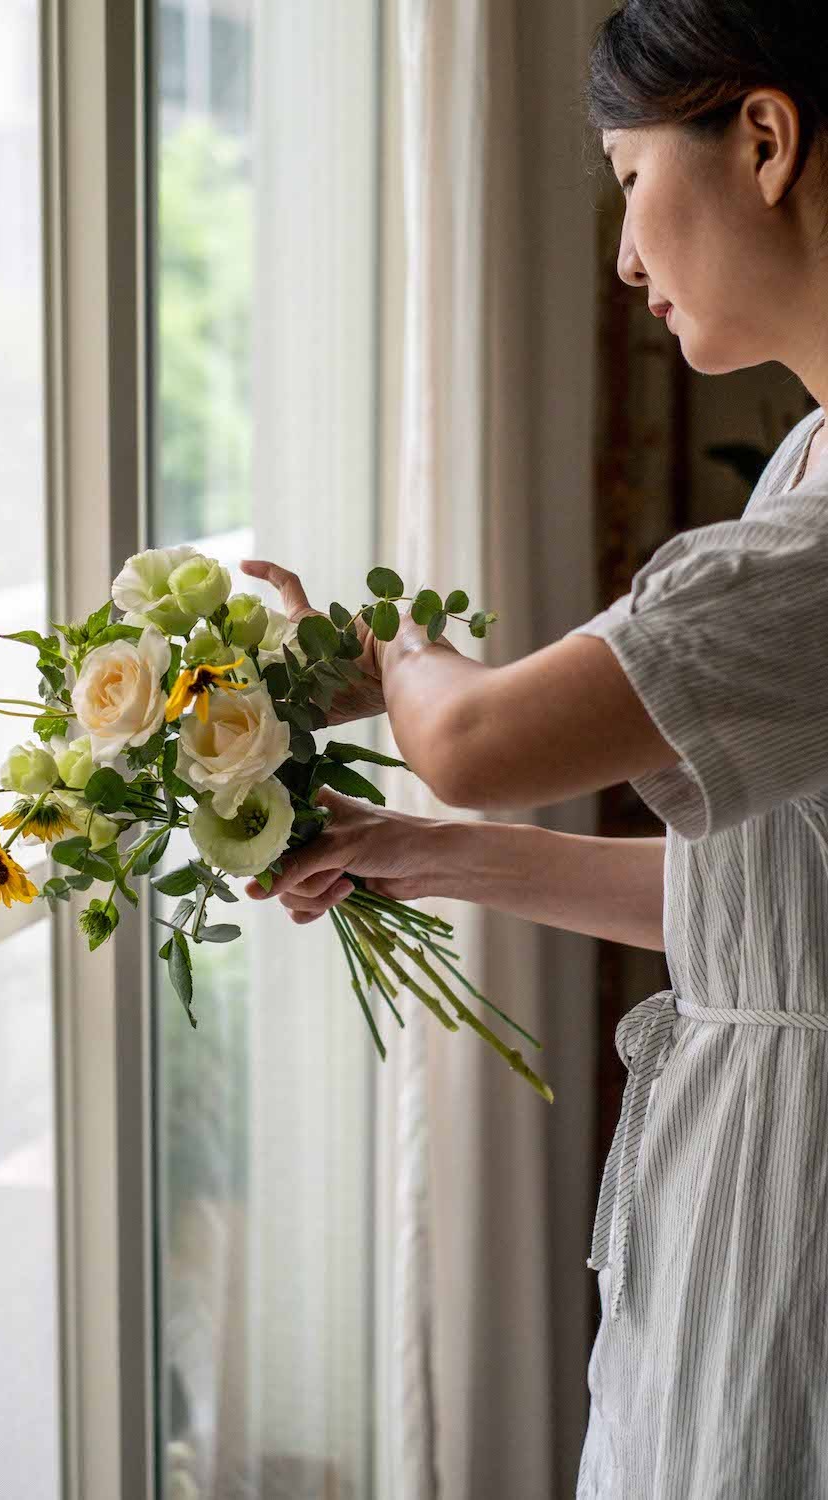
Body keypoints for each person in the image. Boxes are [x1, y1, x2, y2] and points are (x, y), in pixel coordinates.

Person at [241, 1, 828, 1493]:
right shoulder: (809, 457)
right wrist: (416, 853)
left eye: (630, 176)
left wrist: (380, 662)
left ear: (761, 140)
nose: (626, 257)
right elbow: (773, 924)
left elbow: (482, 739)